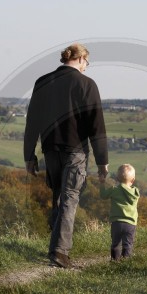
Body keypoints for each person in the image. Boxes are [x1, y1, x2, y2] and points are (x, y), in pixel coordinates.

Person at [24, 43, 108, 268]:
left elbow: (32, 121)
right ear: (81, 59)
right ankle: (60, 252)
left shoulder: (42, 82)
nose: (86, 68)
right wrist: (102, 161)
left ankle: (55, 246)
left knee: (59, 196)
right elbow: (96, 126)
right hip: (76, 150)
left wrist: (28, 155)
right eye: (87, 63)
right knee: (70, 198)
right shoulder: (86, 84)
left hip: (50, 149)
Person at [99, 164, 140, 261]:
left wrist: (102, 183)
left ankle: (115, 261)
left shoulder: (114, 190)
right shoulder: (135, 192)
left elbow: (103, 196)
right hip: (131, 224)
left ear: (117, 178)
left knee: (115, 243)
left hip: (117, 222)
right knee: (128, 244)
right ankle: (126, 262)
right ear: (133, 180)